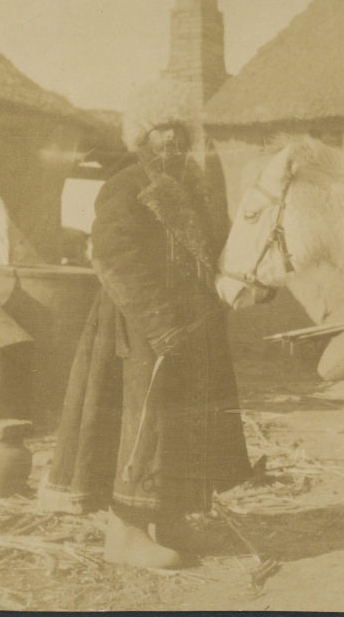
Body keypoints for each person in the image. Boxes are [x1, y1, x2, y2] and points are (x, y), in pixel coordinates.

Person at [38, 77, 253, 568]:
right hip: (137, 327)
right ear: (141, 135)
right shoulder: (126, 184)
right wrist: (161, 322)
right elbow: (114, 256)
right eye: (160, 128)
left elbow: (216, 246)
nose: (171, 137)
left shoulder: (194, 186)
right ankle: (125, 535)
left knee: (181, 425)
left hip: (192, 327)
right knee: (141, 426)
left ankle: (168, 520)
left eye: (179, 127)